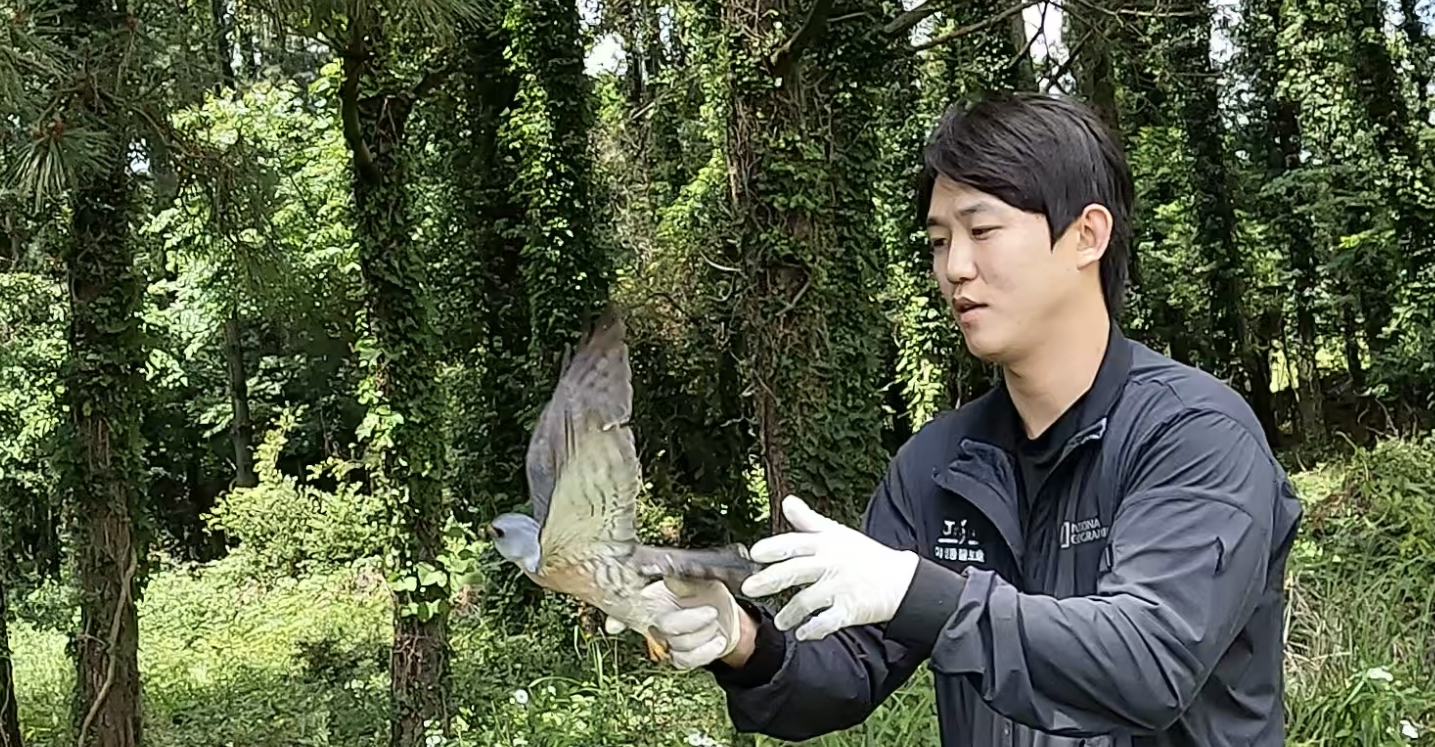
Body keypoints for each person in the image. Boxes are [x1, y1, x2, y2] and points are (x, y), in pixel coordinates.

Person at [605, 92, 1303, 747]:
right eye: (939, 241)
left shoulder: (1193, 434)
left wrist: (923, 591)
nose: (954, 268)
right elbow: (848, 669)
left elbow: (1149, 661)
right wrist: (742, 640)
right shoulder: (937, 464)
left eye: (982, 229)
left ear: (1087, 234)